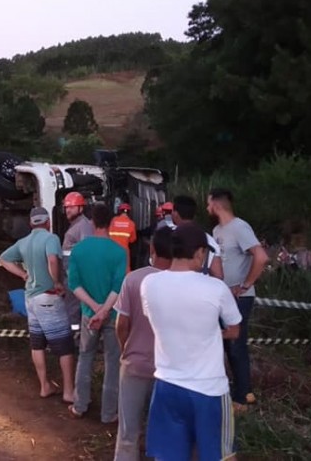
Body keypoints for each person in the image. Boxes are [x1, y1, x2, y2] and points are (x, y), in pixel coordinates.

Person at [140, 223, 242, 461]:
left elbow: (159, 320)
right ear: (199, 253)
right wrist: (211, 334)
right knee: (219, 455)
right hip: (209, 389)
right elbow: (234, 330)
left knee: (169, 456)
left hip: (166, 385)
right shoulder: (216, 289)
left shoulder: (150, 284)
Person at [0, 207, 75, 403]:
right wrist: (57, 282)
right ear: (48, 222)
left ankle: (45, 386)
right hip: (48, 297)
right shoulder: (51, 239)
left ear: (31, 223)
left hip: (30, 298)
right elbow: (52, 260)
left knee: (37, 344)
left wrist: (23, 274)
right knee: (65, 346)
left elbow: (3, 259)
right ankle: (68, 391)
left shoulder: (23, 242)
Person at [207, 188, 270, 413]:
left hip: (239, 298)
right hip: (222, 296)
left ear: (216, 204)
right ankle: (238, 391)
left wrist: (245, 285)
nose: (207, 208)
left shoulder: (240, 227)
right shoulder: (216, 230)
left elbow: (261, 257)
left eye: (208, 203)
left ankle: (243, 397)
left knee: (235, 345)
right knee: (225, 345)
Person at [113, 226, 173, 461]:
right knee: (166, 431)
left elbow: (121, 324)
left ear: (152, 248)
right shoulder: (183, 284)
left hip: (135, 363)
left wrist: (124, 348)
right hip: (169, 370)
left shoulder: (134, 279)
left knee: (128, 432)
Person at [67, 203, 127, 423]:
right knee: (113, 362)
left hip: (87, 315)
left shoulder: (79, 250)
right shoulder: (119, 251)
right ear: (111, 222)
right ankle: (109, 413)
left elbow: (74, 284)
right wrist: (103, 311)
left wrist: (93, 309)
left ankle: (80, 405)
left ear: (92, 221)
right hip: (111, 315)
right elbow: (117, 287)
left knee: (85, 357)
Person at [62, 191, 95, 327]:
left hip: (76, 279)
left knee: (74, 312)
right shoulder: (77, 225)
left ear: (81, 208)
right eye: (66, 207)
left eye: (72, 207)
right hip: (71, 277)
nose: (68, 210)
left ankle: (75, 341)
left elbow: (86, 253)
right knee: (72, 311)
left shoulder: (83, 226)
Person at [171, 195, 224, 280]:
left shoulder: (168, 236)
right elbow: (219, 276)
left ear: (175, 213)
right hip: (201, 291)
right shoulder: (209, 240)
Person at [109, 203, 137, 272]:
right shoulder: (131, 223)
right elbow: (132, 240)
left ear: (119, 211)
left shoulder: (113, 220)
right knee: (125, 271)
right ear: (129, 212)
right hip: (124, 252)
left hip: (112, 250)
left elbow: (108, 234)